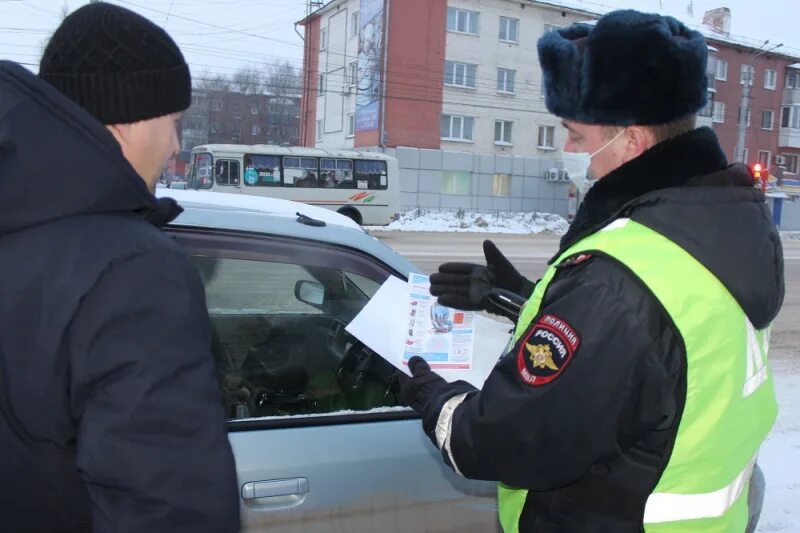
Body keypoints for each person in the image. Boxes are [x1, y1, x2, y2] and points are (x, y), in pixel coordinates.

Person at [400, 10, 783, 532]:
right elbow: (655, 352)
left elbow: (506, 443)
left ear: (631, 139)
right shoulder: (716, 224)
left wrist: (438, 401)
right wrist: (515, 297)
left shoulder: (618, 280)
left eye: (577, 137)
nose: (570, 152)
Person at [0, 4, 239, 532]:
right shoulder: (133, 269)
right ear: (127, 118)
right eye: (173, 122)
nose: (177, 146)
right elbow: (167, 503)